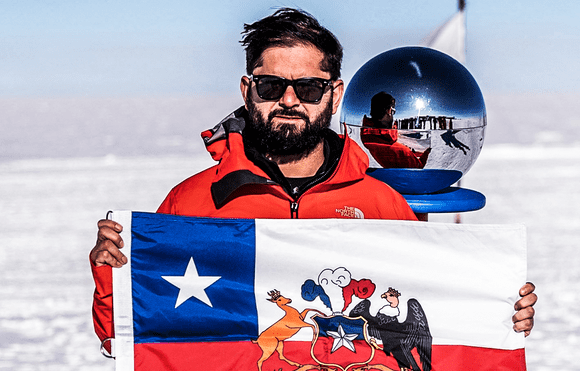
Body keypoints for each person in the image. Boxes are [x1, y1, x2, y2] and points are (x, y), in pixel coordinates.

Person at [90, 8, 537, 350]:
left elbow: (423, 316)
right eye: (270, 86)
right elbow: (129, 339)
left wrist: (496, 314)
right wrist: (115, 280)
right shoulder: (193, 203)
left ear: (334, 94)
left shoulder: (382, 203)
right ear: (247, 90)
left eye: (307, 87)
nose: (288, 100)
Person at [361, 91, 431, 168]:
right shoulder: (403, 152)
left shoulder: (368, 138)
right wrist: (426, 154)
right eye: (393, 111)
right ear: (389, 111)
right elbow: (418, 167)